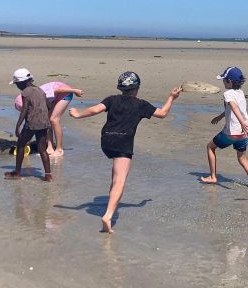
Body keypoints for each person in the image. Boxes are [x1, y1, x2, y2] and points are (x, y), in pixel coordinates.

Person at [69, 71, 181, 233]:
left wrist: (77, 114)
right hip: (123, 142)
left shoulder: (112, 99)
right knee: (120, 181)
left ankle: (109, 206)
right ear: (137, 88)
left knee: (115, 178)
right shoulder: (141, 104)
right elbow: (162, 113)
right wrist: (171, 98)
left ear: (120, 87)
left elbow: (95, 110)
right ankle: (108, 215)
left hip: (106, 141)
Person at [199, 66, 248, 189]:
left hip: (232, 132)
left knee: (210, 147)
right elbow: (231, 109)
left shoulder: (227, 93)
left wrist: (241, 122)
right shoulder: (240, 92)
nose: (222, 82)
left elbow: (234, 107)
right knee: (242, 157)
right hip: (244, 133)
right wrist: (220, 117)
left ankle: (213, 176)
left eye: (224, 80)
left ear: (229, 81)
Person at [6, 68, 53, 182]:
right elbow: (49, 106)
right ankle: (48, 175)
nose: (17, 86)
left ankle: (17, 172)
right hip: (44, 123)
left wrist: (18, 125)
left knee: (21, 144)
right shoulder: (40, 90)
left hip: (32, 123)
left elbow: (25, 110)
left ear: (21, 82)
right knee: (42, 149)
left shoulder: (25, 92)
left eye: (17, 84)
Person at [16, 81, 83, 157]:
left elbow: (58, 90)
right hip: (55, 97)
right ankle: (50, 148)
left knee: (54, 120)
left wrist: (75, 91)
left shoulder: (40, 94)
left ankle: (59, 150)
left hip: (65, 93)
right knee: (46, 120)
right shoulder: (30, 98)